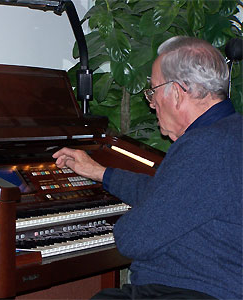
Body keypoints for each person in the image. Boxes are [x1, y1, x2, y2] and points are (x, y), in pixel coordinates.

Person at [53, 36, 242, 300]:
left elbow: (133, 238)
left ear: (176, 92)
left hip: (193, 289)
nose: (151, 104)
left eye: (153, 92)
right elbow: (170, 194)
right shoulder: (231, 132)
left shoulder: (205, 146)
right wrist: (102, 173)